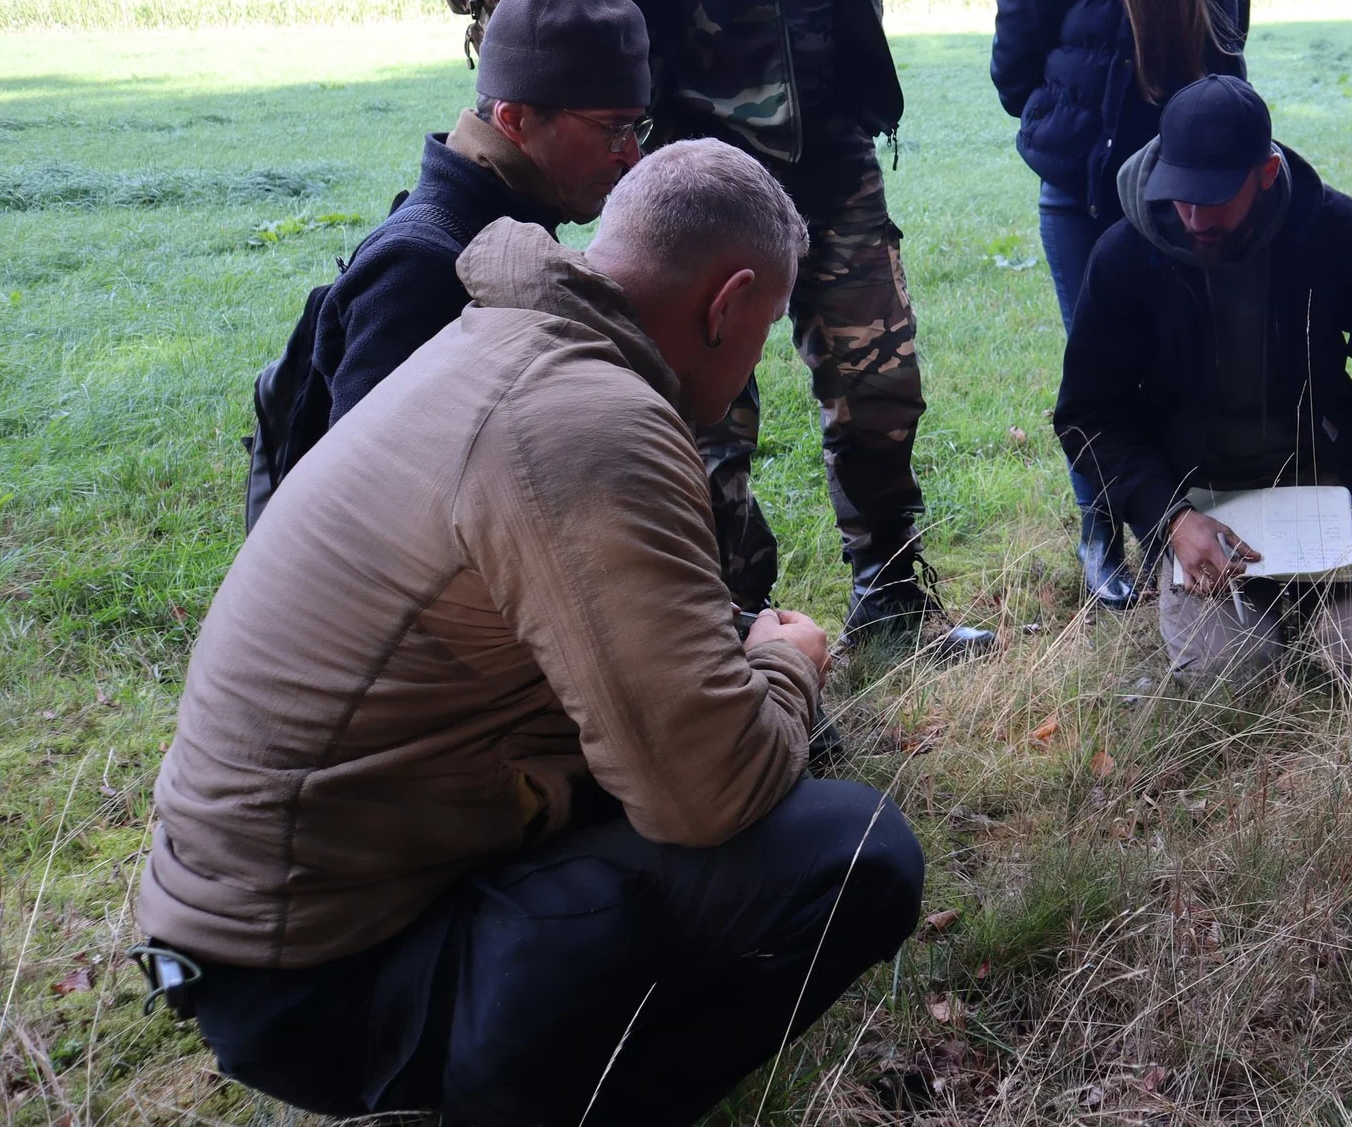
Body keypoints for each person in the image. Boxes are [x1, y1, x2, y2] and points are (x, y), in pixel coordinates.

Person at [133, 141, 924, 1124]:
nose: (754, 355)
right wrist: (784, 662)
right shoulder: (589, 424)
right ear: (727, 302)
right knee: (858, 852)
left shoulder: (499, 345)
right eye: (761, 332)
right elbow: (705, 793)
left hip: (234, 932)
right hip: (306, 979)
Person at [521, 0, 984, 645]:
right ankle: (723, 634)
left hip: (830, 136)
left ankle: (891, 597)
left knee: (879, 373)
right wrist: (644, 151)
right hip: (692, 161)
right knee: (698, 416)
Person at [1052, 75, 1352, 692]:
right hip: (1200, 503)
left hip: (1324, 487)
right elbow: (1087, 416)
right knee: (1233, 678)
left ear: (1266, 172)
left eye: (1215, 197)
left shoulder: (1333, 229)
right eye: (1181, 196)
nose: (1196, 218)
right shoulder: (1124, 257)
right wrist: (1168, 517)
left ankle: (1339, 588)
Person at [992, 0, 1251, 610]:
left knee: (1187, 352)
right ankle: (1101, 526)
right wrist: (1062, 131)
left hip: (1185, 192)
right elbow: (1012, 56)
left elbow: (1232, 49)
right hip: (1084, 197)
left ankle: (1183, 518)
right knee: (1098, 365)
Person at [315, 0, 650, 427]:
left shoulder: (513, 222)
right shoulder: (420, 267)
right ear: (514, 121)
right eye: (614, 130)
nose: (633, 156)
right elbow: (356, 482)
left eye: (636, 127)